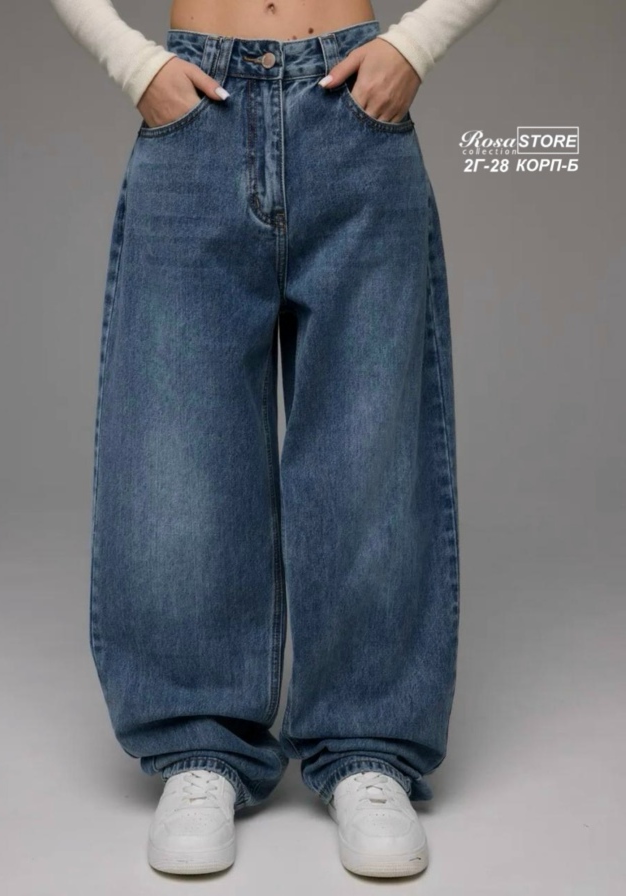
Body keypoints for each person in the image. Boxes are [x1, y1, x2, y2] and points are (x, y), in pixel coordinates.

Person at [49, 0, 502, 879]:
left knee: (371, 448)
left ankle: (370, 749)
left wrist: (418, 43)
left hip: (353, 118)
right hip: (196, 122)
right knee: (177, 447)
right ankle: (199, 748)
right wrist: (132, 64)